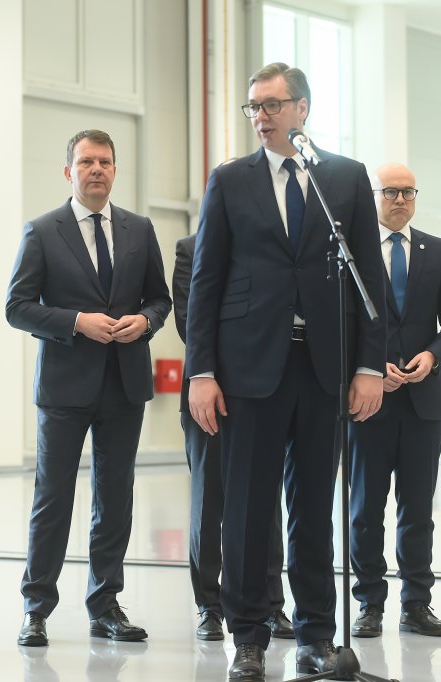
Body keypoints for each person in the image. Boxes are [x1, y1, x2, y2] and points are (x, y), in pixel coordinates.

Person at [185, 63, 388, 680]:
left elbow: (368, 278)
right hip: (249, 368)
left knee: (313, 507)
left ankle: (316, 636)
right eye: (253, 107)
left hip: (325, 368)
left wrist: (368, 365)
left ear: (303, 109)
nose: (261, 116)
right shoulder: (229, 181)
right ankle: (248, 636)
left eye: (272, 104)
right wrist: (201, 372)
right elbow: (206, 280)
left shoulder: (344, 179)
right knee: (248, 507)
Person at [7, 129, 171, 647]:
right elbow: (17, 307)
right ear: (68, 171)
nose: (96, 169)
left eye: (104, 161)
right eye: (85, 162)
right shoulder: (42, 231)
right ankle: (36, 608)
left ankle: (105, 605)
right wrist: (76, 321)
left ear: (115, 170)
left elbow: (160, 299)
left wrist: (145, 322)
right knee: (53, 498)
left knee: (114, 498)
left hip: (125, 384)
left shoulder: (140, 229)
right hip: (64, 387)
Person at [348, 163, 441, 639]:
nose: (400, 199)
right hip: (368, 401)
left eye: (408, 192)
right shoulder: (352, 252)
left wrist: (432, 356)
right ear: (374, 196)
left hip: (423, 402)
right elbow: (341, 321)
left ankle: (416, 604)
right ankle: (369, 604)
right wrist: (371, 366)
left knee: (417, 510)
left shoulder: (436, 251)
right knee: (365, 510)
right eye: (390, 192)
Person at [172, 233, 294, 642]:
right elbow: (189, 322)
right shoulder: (190, 249)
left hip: (262, 392)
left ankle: (270, 604)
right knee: (209, 499)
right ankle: (209, 606)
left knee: (266, 500)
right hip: (209, 388)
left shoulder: (268, 247)